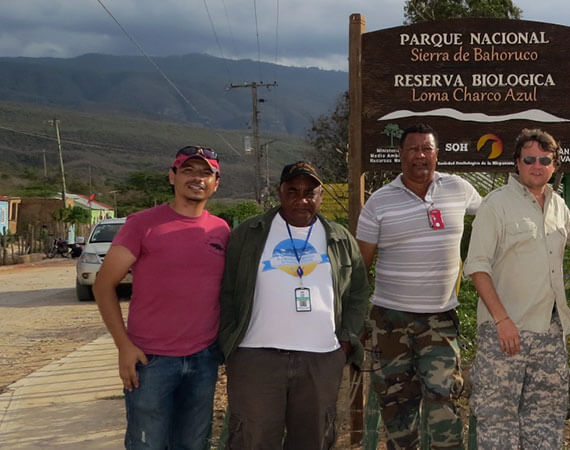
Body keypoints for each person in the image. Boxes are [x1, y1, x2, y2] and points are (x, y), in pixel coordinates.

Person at [218, 161, 371, 449]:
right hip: (256, 358)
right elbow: (226, 290)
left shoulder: (338, 238)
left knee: (313, 439)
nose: (302, 199)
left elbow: (358, 292)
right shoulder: (250, 234)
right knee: (254, 439)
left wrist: (346, 342)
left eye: (309, 192)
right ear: (280, 192)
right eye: (293, 191)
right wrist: (231, 343)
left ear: (320, 196)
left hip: (321, 358)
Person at [94, 146, 229, 449]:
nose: (197, 178)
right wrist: (123, 346)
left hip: (204, 359)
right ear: (172, 176)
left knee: (194, 444)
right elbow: (103, 285)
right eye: (188, 170)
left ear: (216, 183)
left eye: (206, 172)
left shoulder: (221, 230)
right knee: (148, 444)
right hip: (151, 360)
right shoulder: (142, 224)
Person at [356, 123, 482, 449]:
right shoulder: (379, 202)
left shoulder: (459, 189)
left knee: (444, 403)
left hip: (440, 320)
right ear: (400, 154)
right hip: (389, 321)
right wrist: (356, 320)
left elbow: (496, 218)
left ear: (437, 154)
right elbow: (359, 268)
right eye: (412, 149)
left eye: (426, 149)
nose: (420, 156)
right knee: (397, 406)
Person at [464, 129, 570, 449]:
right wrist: (502, 320)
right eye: (529, 159)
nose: (537, 165)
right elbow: (477, 266)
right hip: (506, 332)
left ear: (554, 166)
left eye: (545, 160)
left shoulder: (558, 205)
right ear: (517, 163)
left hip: (549, 332)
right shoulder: (496, 204)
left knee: (546, 420)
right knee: (497, 420)